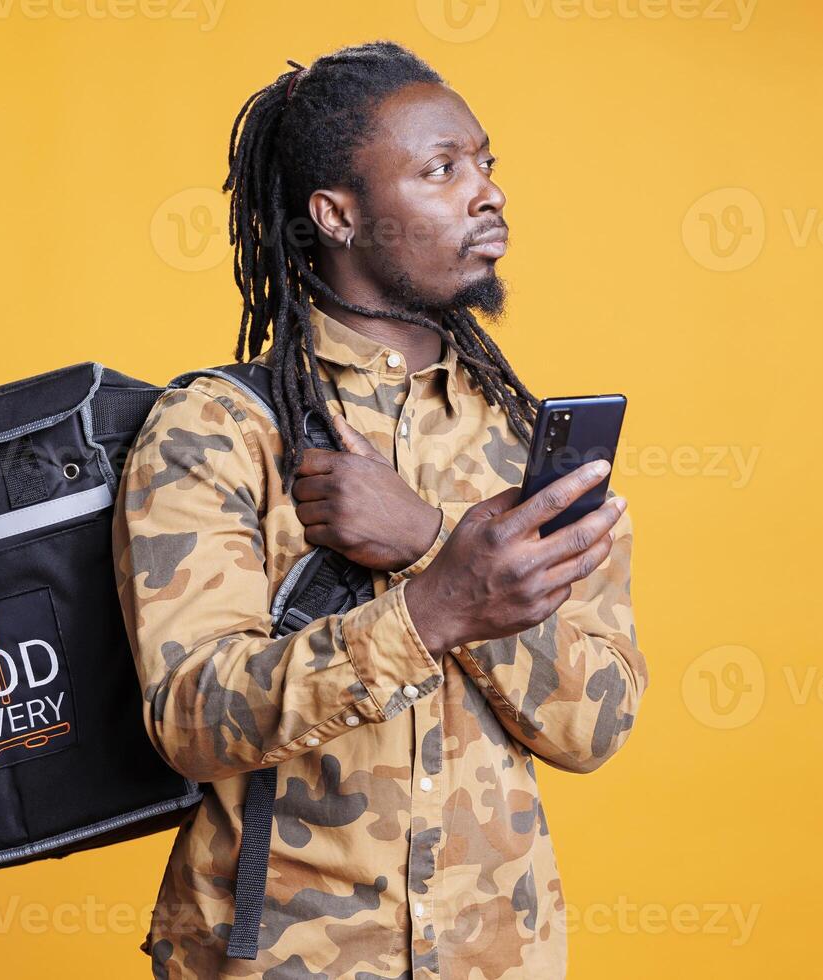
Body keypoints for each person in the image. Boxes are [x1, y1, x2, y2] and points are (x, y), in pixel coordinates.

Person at [112, 39, 648, 979]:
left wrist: (429, 547)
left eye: (486, 164)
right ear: (337, 215)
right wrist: (430, 609)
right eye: (442, 170)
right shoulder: (219, 429)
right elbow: (190, 720)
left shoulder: (530, 445)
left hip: (501, 955)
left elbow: (595, 727)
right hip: (277, 957)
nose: (487, 193)